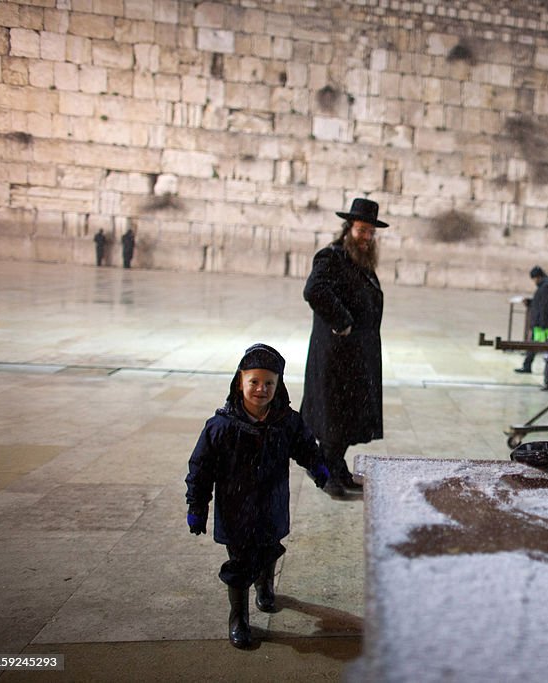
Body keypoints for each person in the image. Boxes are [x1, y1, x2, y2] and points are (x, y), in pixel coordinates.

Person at [185, 343, 330, 649]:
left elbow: (304, 446)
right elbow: (201, 468)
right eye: (254, 382)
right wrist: (197, 505)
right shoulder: (220, 427)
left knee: (268, 548)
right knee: (239, 565)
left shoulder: (286, 422)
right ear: (240, 382)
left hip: (271, 505)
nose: (261, 389)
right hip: (236, 510)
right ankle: (238, 618)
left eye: (269, 383)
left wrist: (318, 467)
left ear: (278, 386)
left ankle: (265, 585)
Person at [301, 197, 387, 497]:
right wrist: (342, 321)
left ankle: (338, 472)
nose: (366, 237)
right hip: (335, 357)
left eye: (370, 233)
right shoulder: (332, 256)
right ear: (349, 228)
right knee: (332, 421)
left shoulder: (361, 263)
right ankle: (327, 478)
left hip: (355, 357)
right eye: (362, 230)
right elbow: (314, 290)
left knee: (347, 419)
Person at [515, 266, 548, 374]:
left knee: (541, 344)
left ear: (538, 277)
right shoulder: (544, 285)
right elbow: (539, 302)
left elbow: (544, 306)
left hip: (542, 322)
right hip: (541, 321)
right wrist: (529, 302)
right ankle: (528, 365)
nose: (534, 281)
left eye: (534, 279)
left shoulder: (546, 286)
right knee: (539, 344)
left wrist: (541, 323)